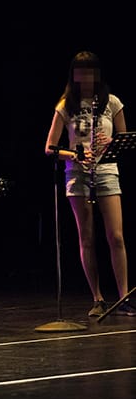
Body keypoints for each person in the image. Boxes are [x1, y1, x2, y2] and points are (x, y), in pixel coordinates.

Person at [45, 50, 135, 317]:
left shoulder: (111, 102)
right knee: (86, 237)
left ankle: (124, 297)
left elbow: (124, 140)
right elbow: (50, 147)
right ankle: (97, 298)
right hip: (77, 173)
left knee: (116, 236)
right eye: (80, 71)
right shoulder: (66, 105)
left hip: (106, 170)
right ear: (74, 74)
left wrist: (110, 142)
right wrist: (75, 155)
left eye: (90, 71)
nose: (85, 77)